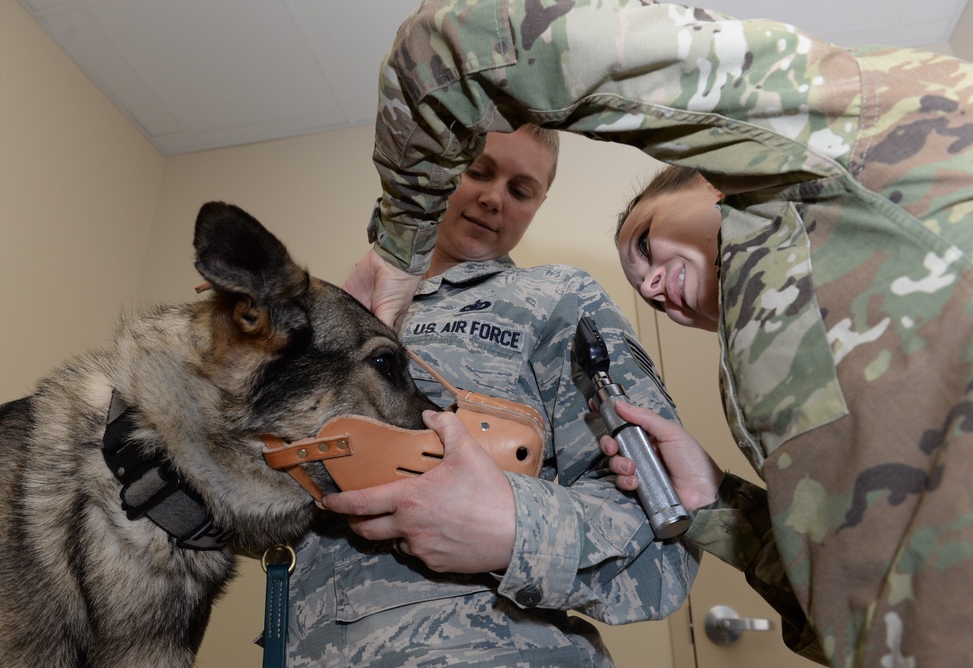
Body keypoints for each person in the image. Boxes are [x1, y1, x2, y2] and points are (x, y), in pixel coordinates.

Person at [341, 2, 973, 666]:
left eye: (644, 242)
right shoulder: (775, 354)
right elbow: (853, 597)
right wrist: (717, 506)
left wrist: (399, 243)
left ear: (710, 175)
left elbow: (471, 39)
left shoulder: (853, 136)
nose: (647, 290)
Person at [285, 125, 698, 666]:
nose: (493, 197)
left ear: (539, 204)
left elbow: (664, 539)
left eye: (520, 190)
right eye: (477, 171)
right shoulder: (328, 315)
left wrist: (512, 529)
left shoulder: (555, 300)